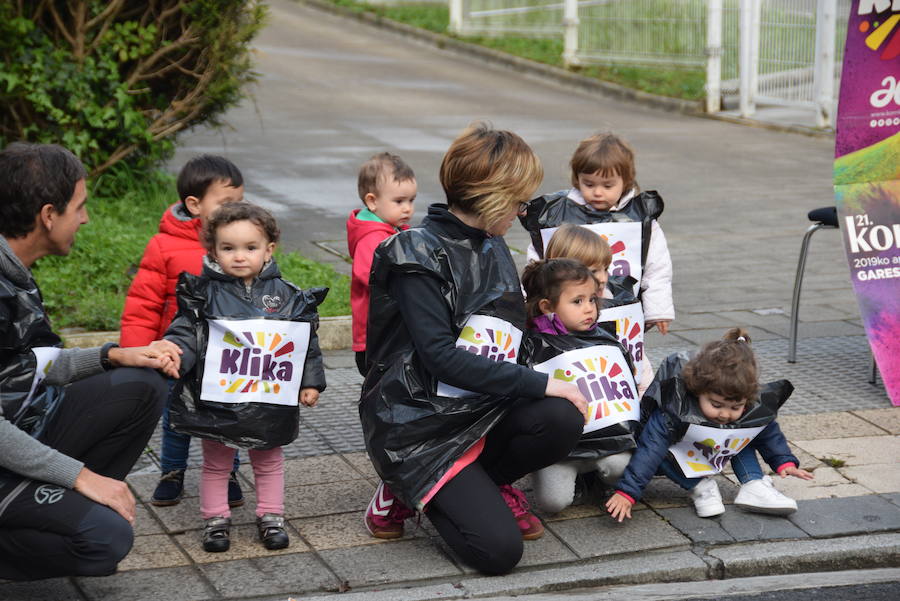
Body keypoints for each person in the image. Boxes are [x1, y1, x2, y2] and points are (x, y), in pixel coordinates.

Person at [359, 123, 589, 575]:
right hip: (422, 425)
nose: (523, 212)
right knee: (499, 554)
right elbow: (439, 356)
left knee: (563, 417)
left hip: (481, 409)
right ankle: (403, 486)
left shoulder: (492, 242)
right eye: (519, 201)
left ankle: (481, 481)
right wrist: (540, 383)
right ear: (492, 196)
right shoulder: (416, 253)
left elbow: (506, 333)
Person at [0, 142, 179, 580]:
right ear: (47, 215)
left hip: (21, 426)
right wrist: (78, 475)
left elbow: (28, 364)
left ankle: (57, 502)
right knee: (105, 540)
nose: (85, 218)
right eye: (79, 207)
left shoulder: (12, 271)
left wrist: (112, 355)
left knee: (142, 381)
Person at [163, 202, 326, 553]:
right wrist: (176, 354)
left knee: (268, 460)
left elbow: (305, 342)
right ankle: (215, 519)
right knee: (216, 462)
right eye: (228, 248)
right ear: (213, 250)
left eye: (250, 247)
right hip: (218, 400)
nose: (239, 256)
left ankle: (271, 516)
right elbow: (186, 333)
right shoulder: (202, 295)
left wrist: (310, 382)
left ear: (269, 249)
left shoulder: (287, 295)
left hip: (268, 399)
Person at [120, 154, 246, 508]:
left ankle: (228, 472)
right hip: (176, 352)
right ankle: (172, 471)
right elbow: (143, 304)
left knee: (228, 416)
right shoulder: (164, 246)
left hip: (226, 353)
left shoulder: (239, 244)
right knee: (175, 418)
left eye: (240, 203)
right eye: (226, 204)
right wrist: (139, 352)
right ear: (194, 205)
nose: (235, 211)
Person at [605, 328, 814, 522]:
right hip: (678, 455)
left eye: (736, 406)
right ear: (698, 391)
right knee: (660, 453)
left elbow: (767, 432)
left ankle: (754, 484)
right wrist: (628, 492)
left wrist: (784, 462)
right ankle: (700, 487)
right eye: (716, 405)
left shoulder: (745, 407)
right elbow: (650, 450)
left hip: (716, 447)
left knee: (744, 433)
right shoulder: (674, 411)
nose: (725, 414)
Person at [520, 133, 674, 334]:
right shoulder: (556, 216)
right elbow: (537, 266)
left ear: (626, 181)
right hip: (567, 319)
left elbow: (657, 269)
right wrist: (529, 304)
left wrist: (658, 310)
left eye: (608, 185)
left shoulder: (641, 218)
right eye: (589, 184)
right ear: (577, 179)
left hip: (623, 315)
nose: (598, 192)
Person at [521, 258, 639, 514]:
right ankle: (550, 473)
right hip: (559, 450)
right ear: (546, 306)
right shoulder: (531, 344)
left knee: (623, 470)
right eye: (577, 301)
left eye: (592, 300)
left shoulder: (605, 337)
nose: (589, 309)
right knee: (554, 504)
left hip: (605, 440)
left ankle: (594, 478)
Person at [544, 224, 653, 392]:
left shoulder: (614, 302)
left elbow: (637, 357)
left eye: (606, 269)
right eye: (593, 271)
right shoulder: (547, 311)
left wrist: (644, 393)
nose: (602, 278)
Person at [346, 152, 416, 376]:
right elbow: (369, 275)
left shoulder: (393, 230)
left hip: (388, 329)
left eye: (411, 200)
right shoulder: (373, 237)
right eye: (399, 201)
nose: (407, 208)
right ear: (372, 201)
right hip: (375, 335)